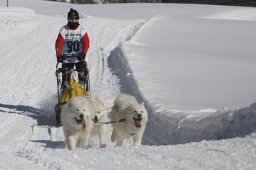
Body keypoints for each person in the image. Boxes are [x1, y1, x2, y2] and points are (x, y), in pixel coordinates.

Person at [55, 8, 90, 88]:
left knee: (82, 81)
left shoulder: (82, 30)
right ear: (68, 19)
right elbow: (58, 44)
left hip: (80, 57)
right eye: (71, 18)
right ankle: (65, 91)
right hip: (66, 58)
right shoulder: (64, 30)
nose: (73, 20)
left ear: (78, 19)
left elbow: (86, 44)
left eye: (75, 18)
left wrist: (83, 53)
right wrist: (59, 55)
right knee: (65, 83)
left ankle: (82, 91)